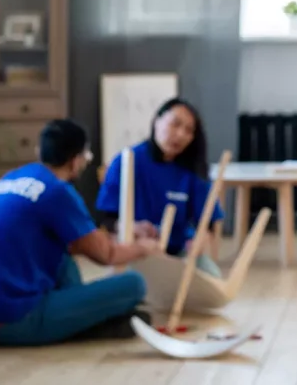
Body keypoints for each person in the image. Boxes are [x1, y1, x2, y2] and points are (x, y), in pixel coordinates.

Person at [0, 119, 158, 347]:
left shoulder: (13, 178)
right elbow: (106, 255)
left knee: (63, 257)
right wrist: (144, 247)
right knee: (134, 284)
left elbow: (80, 242)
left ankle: (81, 319)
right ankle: (81, 323)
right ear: (76, 161)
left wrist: (125, 231)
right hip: (11, 321)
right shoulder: (58, 192)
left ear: (39, 151)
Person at [96, 97, 224, 278]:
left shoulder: (192, 170)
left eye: (188, 130)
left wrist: (201, 238)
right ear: (157, 121)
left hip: (178, 253)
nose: (180, 134)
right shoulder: (127, 161)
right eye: (175, 124)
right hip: (136, 252)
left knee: (213, 281)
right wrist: (132, 226)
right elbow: (105, 219)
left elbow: (208, 221)